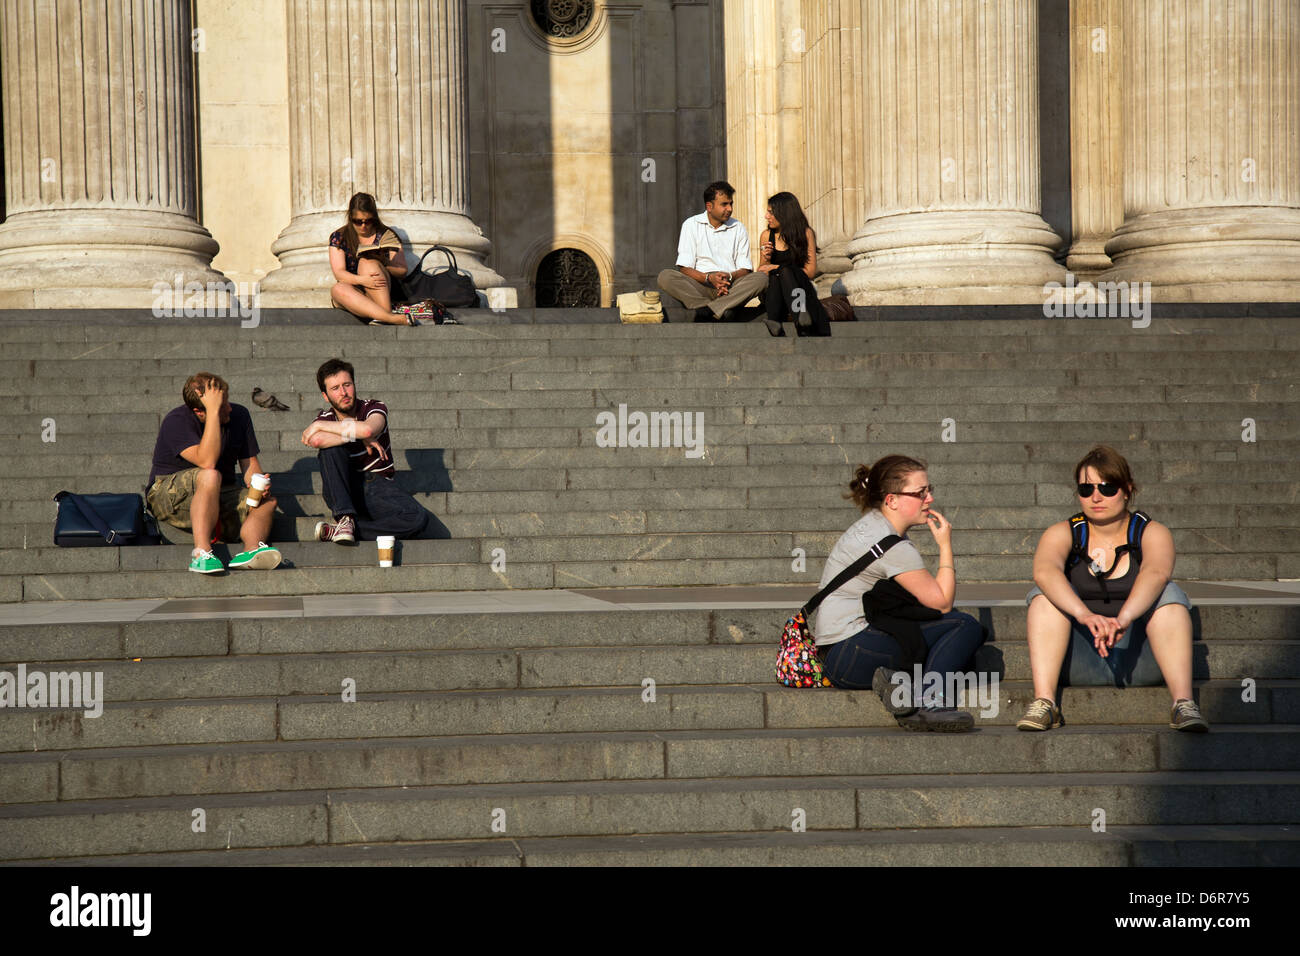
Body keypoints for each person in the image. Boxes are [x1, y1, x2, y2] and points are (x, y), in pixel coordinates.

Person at [1016, 445, 1209, 732]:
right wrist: (1084, 615)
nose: (1096, 497)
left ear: (1127, 489)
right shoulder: (1063, 532)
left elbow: (1156, 572)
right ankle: (1045, 702)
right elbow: (1045, 571)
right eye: (1086, 488)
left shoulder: (1152, 532)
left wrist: (1124, 618)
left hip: (1141, 655)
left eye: (1107, 488)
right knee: (1042, 596)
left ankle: (1183, 702)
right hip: (1076, 657)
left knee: (1169, 594)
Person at [814, 456, 986, 732]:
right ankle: (932, 703)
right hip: (855, 649)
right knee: (964, 627)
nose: (929, 498)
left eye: (929, 490)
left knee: (943, 635)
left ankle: (899, 684)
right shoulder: (891, 545)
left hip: (837, 659)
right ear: (891, 500)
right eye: (920, 493)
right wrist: (945, 545)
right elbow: (941, 602)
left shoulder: (874, 526)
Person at [146, 373, 281, 574]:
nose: (230, 408)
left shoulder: (239, 415)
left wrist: (258, 485)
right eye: (222, 405)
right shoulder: (176, 421)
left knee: (267, 503)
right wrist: (213, 412)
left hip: (217, 495)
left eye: (226, 400)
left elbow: (250, 465)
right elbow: (206, 461)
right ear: (199, 412)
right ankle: (202, 553)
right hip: (168, 497)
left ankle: (252, 551)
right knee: (210, 474)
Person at [301, 358, 437, 542]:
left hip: (378, 487)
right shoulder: (325, 417)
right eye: (335, 388)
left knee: (417, 518)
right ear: (325, 396)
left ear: (354, 384)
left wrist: (359, 432)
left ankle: (345, 530)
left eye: (347, 385)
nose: (343, 392)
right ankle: (345, 518)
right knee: (330, 451)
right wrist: (357, 434)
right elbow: (317, 440)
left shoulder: (373, 407)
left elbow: (368, 428)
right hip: (342, 487)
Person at [657, 181, 769, 322]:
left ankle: (710, 310)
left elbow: (745, 269)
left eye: (731, 204)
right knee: (665, 276)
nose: (729, 209)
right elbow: (685, 268)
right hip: (700, 286)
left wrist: (728, 277)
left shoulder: (738, 227)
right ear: (709, 206)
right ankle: (717, 308)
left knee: (762, 278)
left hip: (730, 287)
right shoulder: (691, 225)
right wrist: (709, 278)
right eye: (724, 204)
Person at [328, 192, 416, 326]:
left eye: (368, 221)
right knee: (337, 289)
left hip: (381, 292)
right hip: (355, 293)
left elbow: (402, 270)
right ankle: (389, 318)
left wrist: (384, 262)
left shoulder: (387, 235)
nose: (363, 226)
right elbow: (339, 273)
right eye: (358, 222)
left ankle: (383, 314)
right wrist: (363, 280)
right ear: (350, 218)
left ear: (374, 218)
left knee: (367, 263)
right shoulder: (339, 237)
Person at [757, 191, 830, 337]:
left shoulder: (806, 233)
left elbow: (810, 271)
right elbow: (761, 272)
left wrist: (778, 267)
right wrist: (766, 258)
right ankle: (799, 317)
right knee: (777, 275)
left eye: (771, 212)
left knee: (784, 272)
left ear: (784, 213)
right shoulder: (766, 235)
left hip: (799, 288)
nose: (766, 216)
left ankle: (775, 320)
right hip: (773, 291)